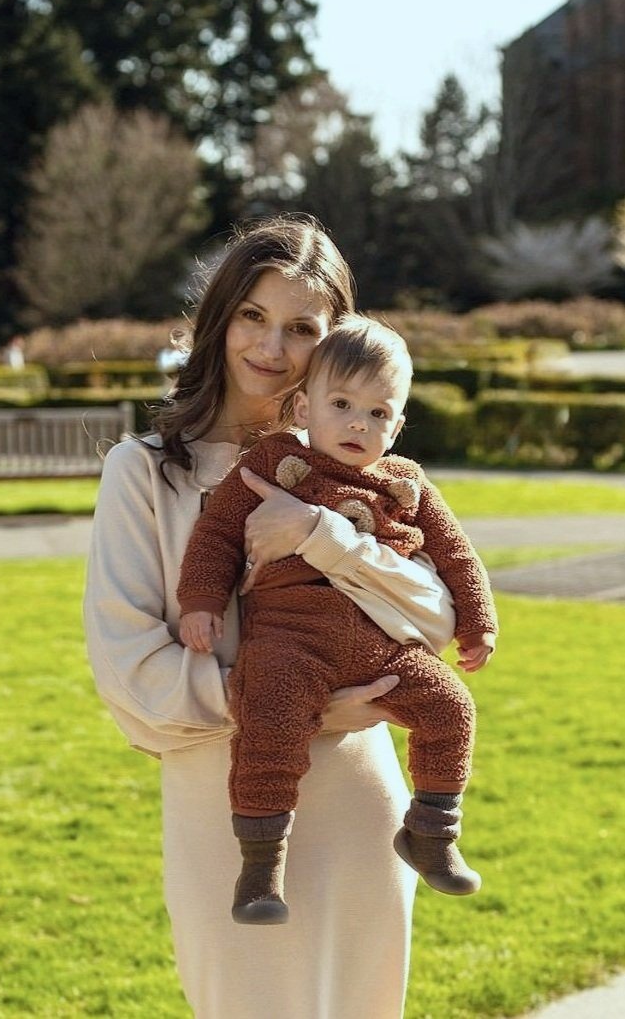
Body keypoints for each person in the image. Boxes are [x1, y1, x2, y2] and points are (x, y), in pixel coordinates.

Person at [84, 216, 457, 1019]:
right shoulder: (141, 474)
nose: (271, 346)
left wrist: (321, 535)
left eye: (301, 327)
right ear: (220, 316)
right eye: (252, 315)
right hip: (223, 812)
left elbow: (434, 617)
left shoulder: (359, 467)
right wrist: (301, 706)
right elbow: (131, 675)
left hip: (358, 801)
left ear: (332, 342)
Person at [177, 314, 498, 927]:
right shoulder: (273, 463)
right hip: (290, 639)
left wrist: (477, 623)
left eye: (378, 414)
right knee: (268, 722)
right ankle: (260, 868)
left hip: (386, 644)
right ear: (304, 408)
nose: (358, 423)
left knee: (451, 708)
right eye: (342, 405)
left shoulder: (406, 484)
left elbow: (457, 553)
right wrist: (200, 601)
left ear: (397, 428)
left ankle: (431, 832)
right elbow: (216, 535)